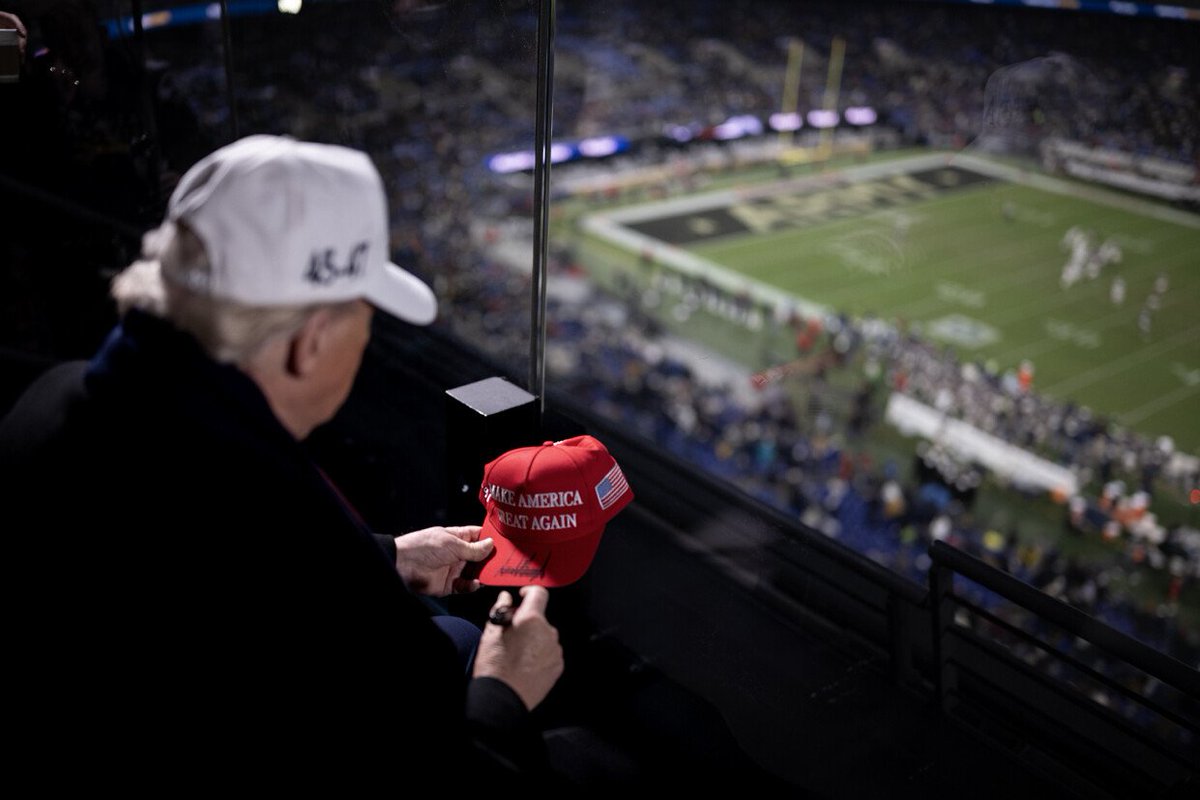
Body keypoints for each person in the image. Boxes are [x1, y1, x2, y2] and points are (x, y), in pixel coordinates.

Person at [0, 135, 564, 785]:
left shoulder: (59, 396)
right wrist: (504, 689)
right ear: (310, 341)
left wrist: (384, 557)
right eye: (364, 313)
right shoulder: (280, 544)